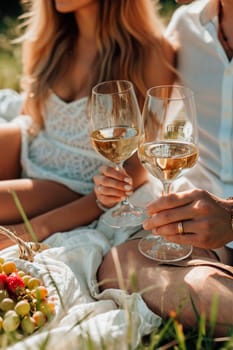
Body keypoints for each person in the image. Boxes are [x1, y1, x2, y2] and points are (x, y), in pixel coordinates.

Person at [95, 0, 233, 336]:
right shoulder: (186, 26)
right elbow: (151, 128)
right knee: (118, 264)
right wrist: (118, 179)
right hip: (201, 237)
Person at [0, 0, 175, 249]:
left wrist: (38, 228)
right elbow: (32, 119)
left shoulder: (151, 51)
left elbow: (140, 164)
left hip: (77, 184)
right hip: (30, 153)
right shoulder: (49, 38)